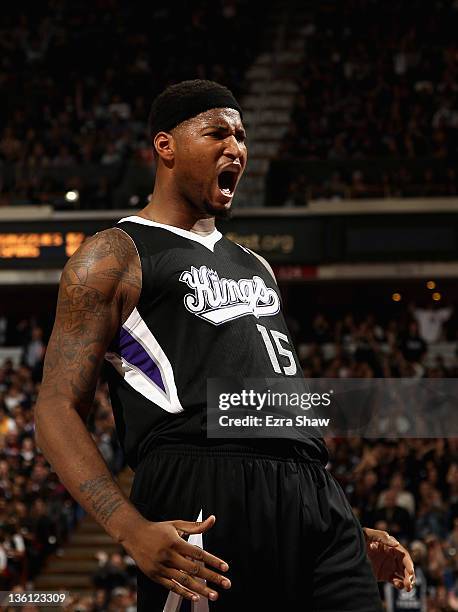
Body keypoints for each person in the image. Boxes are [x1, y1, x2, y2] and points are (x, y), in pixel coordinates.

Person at [34, 80, 415, 611]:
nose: (235, 147)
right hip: (200, 487)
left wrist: (337, 518)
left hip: (313, 495)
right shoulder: (113, 254)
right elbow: (54, 407)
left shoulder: (256, 265)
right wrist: (129, 527)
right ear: (164, 146)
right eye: (216, 132)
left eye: (241, 135)